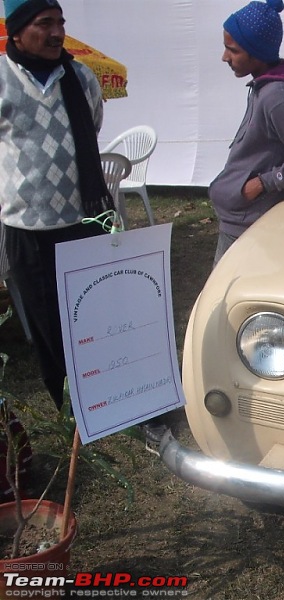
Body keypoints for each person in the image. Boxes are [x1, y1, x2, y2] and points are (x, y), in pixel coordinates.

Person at [0, 0, 113, 408]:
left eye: (60, 22)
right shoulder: (1, 78)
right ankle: (67, 406)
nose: (57, 32)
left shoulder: (81, 77)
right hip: (27, 227)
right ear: (16, 31)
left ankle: (105, 394)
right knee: (47, 323)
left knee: (94, 314)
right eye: (44, 23)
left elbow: (94, 124)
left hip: (83, 219)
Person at [210, 0, 284, 265]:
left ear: (257, 52)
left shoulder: (277, 98)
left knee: (226, 303)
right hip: (238, 218)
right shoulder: (264, 88)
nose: (225, 57)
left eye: (233, 50)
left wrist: (263, 183)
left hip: (248, 225)